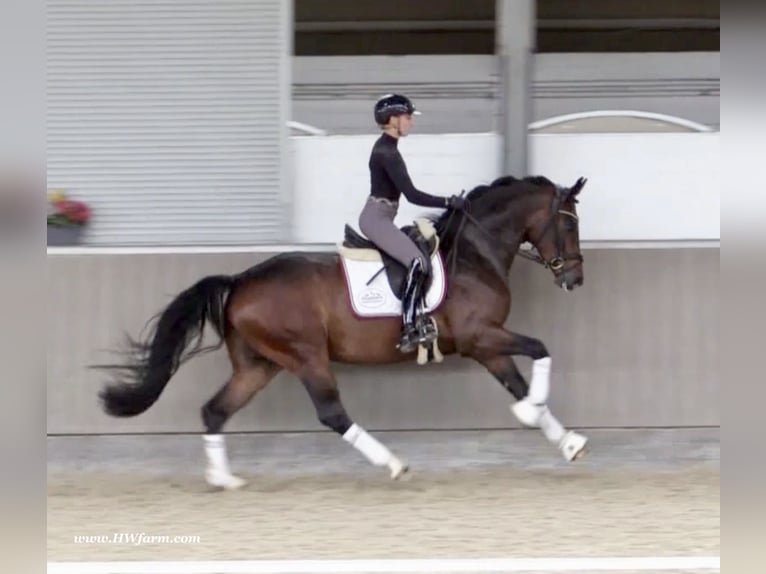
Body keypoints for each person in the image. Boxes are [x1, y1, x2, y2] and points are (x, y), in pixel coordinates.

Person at [358, 93, 466, 353]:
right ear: (392, 119)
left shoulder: (388, 148)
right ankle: (408, 327)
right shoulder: (387, 153)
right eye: (407, 117)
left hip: (382, 216)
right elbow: (412, 195)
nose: (411, 123)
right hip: (376, 219)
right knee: (416, 261)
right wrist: (449, 202)